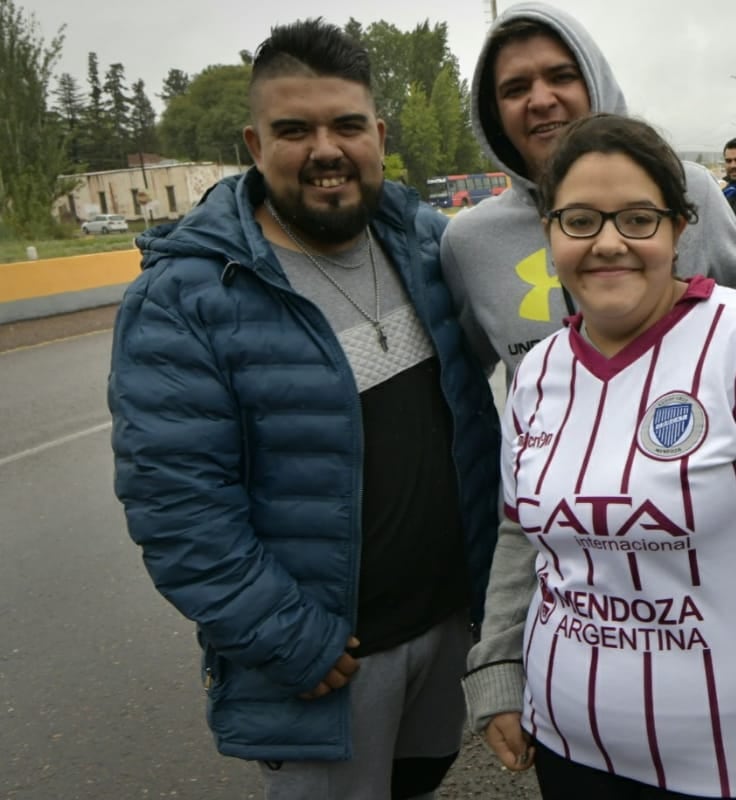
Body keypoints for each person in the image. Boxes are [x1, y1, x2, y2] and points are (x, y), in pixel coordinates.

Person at [107, 19, 500, 800]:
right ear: (254, 146)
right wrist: (293, 641)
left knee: (421, 783)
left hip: (448, 628)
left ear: (378, 136)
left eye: (347, 125)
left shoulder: (425, 243)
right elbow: (177, 508)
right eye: (294, 129)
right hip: (330, 664)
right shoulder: (186, 296)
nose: (326, 149)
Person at [462, 113, 736, 800]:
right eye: (581, 220)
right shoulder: (537, 372)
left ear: (682, 228)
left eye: (639, 219)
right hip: (565, 751)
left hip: (733, 771)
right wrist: (498, 665)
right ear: (550, 234)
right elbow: (517, 536)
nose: (609, 243)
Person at [441, 2, 736, 378]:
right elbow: (466, 386)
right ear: (494, 113)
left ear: (596, 82)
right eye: (515, 88)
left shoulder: (691, 191)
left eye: (561, 76)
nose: (541, 100)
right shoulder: (468, 241)